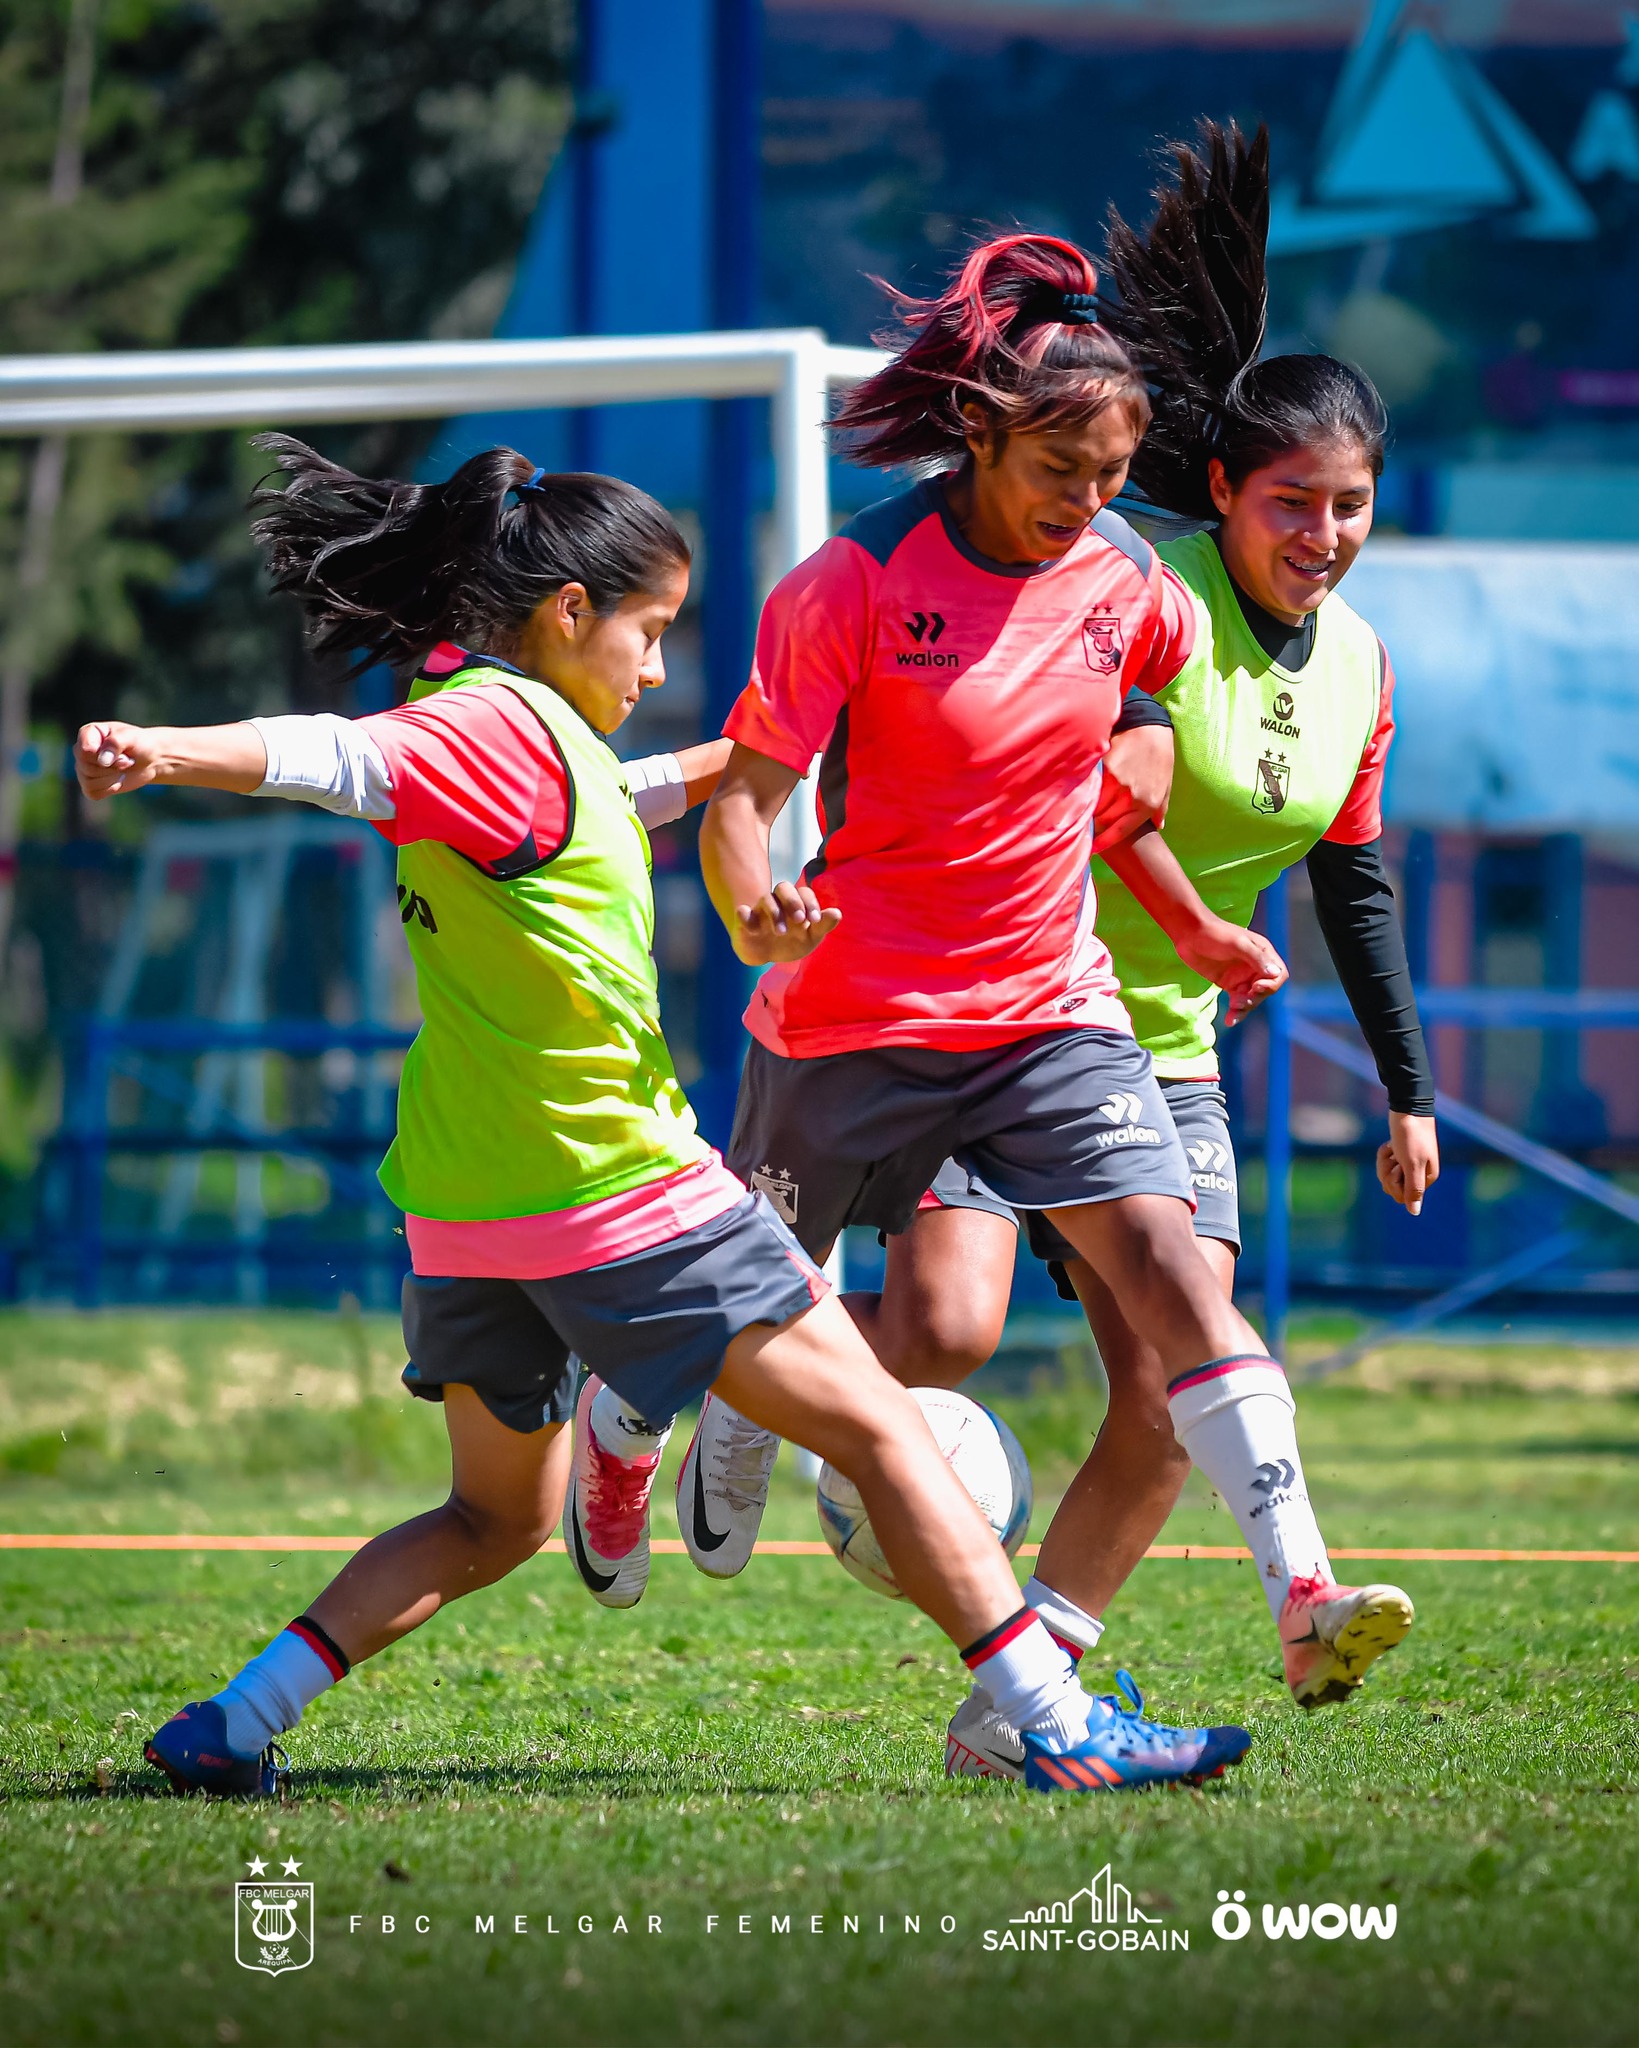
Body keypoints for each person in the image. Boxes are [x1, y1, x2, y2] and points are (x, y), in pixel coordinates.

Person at [78, 435, 1248, 1799]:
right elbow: (338, 756)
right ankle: (1056, 1723)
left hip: (468, 1211)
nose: (653, 665)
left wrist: (755, 757)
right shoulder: (487, 731)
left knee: (490, 1516)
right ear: (568, 612)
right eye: (649, 632)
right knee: (880, 1422)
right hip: (614, 1190)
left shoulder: (537, 746)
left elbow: (609, 799)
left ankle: (233, 1721)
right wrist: (162, 748)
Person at [561, 230, 1332, 1780]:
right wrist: (750, 902)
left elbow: (1133, 758)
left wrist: (1191, 918)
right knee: (750, 1312)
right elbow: (746, 793)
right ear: (979, 425)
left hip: (1055, 1013)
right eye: (1060, 463)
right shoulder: (848, 585)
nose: (1086, 501)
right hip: (849, 1018)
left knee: (1172, 1277)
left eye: (1115, 474)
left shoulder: (1126, 587)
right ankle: (631, 1416)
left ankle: (1303, 1584)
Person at [842, 127, 1433, 1778]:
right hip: (991, 999)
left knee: (1172, 1392)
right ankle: (728, 1386)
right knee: (944, 1332)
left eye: (1352, 507)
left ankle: (1026, 1710)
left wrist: (1409, 1092)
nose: (1324, 534)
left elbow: (1356, 876)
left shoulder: (1366, 662)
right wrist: (1180, 905)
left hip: (1154, 1049)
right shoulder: (1120, 583)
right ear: (1226, 497)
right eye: (1295, 504)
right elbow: (1089, 789)